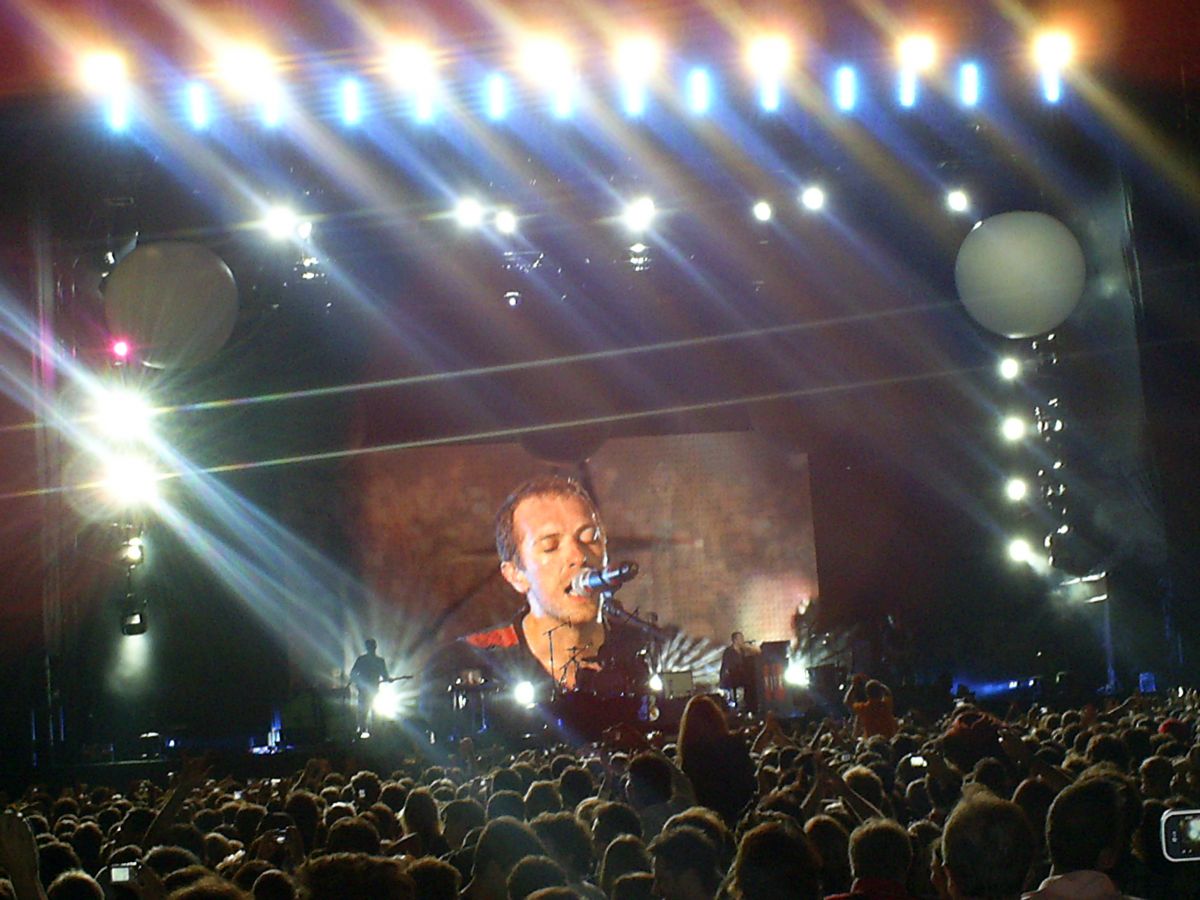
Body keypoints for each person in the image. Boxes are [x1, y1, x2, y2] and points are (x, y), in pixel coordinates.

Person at [454, 475, 648, 693]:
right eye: (550, 546)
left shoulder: (651, 651)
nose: (578, 556)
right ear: (515, 575)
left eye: (589, 538)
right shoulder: (467, 662)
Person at [348, 639, 388, 736]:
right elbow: (385, 676)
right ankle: (372, 730)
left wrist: (358, 682)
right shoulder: (379, 661)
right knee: (371, 711)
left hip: (366, 690)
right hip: (371, 690)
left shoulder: (362, 660)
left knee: (364, 710)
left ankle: (364, 730)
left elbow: (353, 674)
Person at [844, 673, 899, 740]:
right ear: (880, 692)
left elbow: (847, 701)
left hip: (872, 741)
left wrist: (853, 686)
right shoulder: (886, 705)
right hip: (889, 740)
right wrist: (880, 685)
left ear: (867, 694)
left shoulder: (864, 708)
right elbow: (888, 693)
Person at [719, 632, 760, 711]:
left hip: (742, 678)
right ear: (735, 640)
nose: (742, 640)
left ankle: (749, 707)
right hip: (731, 679)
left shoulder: (743, 651)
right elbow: (728, 666)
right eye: (740, 638)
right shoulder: (728, 652)